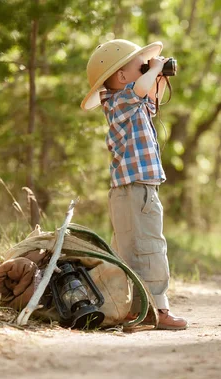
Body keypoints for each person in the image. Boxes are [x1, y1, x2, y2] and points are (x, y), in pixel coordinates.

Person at [80, 39, 188, 330]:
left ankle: (134, 310)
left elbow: (150, 97)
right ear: (123, 77)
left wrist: (159, 76)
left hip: (133, 189)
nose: (145, 69)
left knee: (130, 250)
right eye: (138, 66)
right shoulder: (119, 101)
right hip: (136, 188)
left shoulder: (129, 104)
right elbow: (141, 90)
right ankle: (157, 309)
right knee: (149, 248)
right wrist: (152, 69)